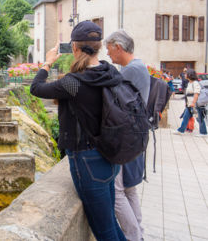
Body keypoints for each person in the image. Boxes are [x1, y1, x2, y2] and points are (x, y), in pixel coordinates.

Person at [30, 21, 126, 241]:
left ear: (74, 48)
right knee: (110, 222)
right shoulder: (110, 72)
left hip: (87, 160)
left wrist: (47, 62)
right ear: (99, 46)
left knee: (104, 231)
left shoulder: (74, 83)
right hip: (109, 157)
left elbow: (36, 88)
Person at [105, 30, 150, 241]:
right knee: (129, 189)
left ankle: (133, 236)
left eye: (109, 49)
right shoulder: (138, 67)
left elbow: (107, 92)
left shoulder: (131, 70)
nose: (108, 54)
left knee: (117, 193)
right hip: (135, 136)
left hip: (126, 138)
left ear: (118, 47)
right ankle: (138, 234)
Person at [174, 69, 208, 137]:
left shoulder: (195, 83)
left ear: (189, 75)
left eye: (186, 74)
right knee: (185, 117)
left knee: (199, 118)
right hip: (190, 104)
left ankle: (203, 133)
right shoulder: (190, 83)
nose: (184, 75)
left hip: (195, 105)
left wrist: (193, 103)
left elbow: (196, 94)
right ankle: (181, 130)